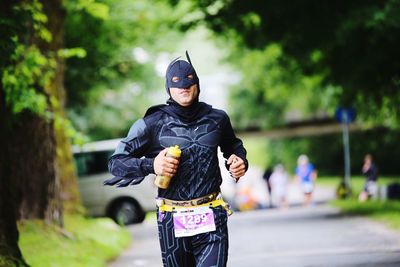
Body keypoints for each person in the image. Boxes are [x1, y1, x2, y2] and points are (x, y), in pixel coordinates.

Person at [105, 51, 248, 267]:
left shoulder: (217, 118)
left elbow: (233, 146)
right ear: (168, 88)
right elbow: (116, 163)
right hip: (173, 218)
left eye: (189, 82)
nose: (184, 86)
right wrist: (151, 164)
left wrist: (239, 161)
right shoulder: (151, 123)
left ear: (197, 84)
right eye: (177, 83)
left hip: (211, 212)